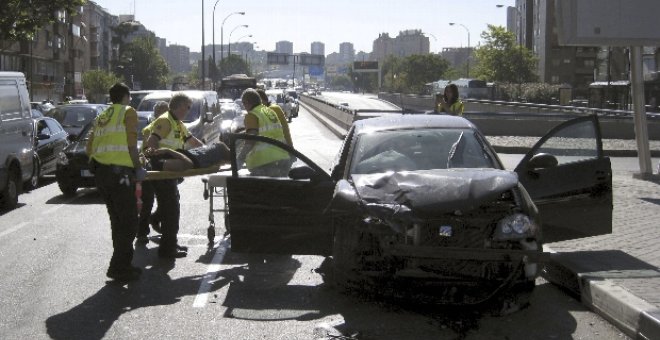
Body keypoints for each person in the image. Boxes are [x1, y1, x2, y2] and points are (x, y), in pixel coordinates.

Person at [86, 82, 147, 282]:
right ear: (125, 97)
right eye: (129, 97)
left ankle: (123, 265)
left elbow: (89, 147)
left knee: (117, 221)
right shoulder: (128, 112)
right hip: (120, 175)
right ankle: (118, 266)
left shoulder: (102, 116)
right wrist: (137, 167)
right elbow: (131, 144)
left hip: (102, 174)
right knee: (129, 223)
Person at [143, 93, 204, 258]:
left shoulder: (177, 123)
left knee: (171, 208)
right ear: (178, 106)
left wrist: (205, 151)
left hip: (170, 170)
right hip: (163, 169)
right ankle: (167, 250)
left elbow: (192, 141)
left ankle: (170, 243)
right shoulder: (165, 120)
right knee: (171, 211)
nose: (188, 111)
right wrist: (158, 158)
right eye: (187, 107)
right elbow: (152, 141)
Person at [136, 101, 169, 245]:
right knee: (147, 201)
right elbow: (147, 150)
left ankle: (155, 219)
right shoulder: (151, 129)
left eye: (165, 112)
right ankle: (142, 232)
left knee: (168, 200)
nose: (163, 115)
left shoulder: (170, 125)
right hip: (150, 167)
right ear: (155, 114)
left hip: (164, 168)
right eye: (160, 112)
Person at [238, 88, 292, 177]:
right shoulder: (269, 111)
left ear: (247, 102)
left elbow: (251, 139)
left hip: (265, 163)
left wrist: (240, 159)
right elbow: (267, 131)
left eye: (244, 104)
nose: (245, 107)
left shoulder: (252, 115)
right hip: (283, 159)